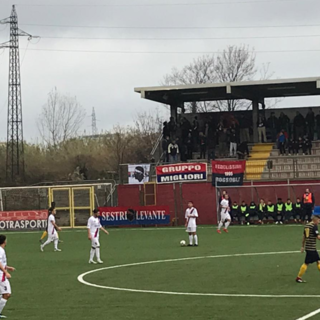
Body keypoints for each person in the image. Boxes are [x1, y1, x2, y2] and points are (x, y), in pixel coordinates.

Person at [296, 214, 320, 283]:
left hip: (308, 247)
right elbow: (318, 237)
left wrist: (302, 246)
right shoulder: (314, 226)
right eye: (318, 220)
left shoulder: (307, 226)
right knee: (313, 262)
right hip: (312, 247)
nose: (319, 222)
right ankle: (298, 277)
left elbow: (304, 237)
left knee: (313, 261)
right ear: (315, 220)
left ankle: (298, 277)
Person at [0, 235, 15, 319]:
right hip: (1, 275)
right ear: (4, 241)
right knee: (6, 294)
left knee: (5, 294)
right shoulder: (0, 250)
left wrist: (8, 267)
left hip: (2, 274)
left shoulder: (1, 250)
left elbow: (2, 263)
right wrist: (6, 272)